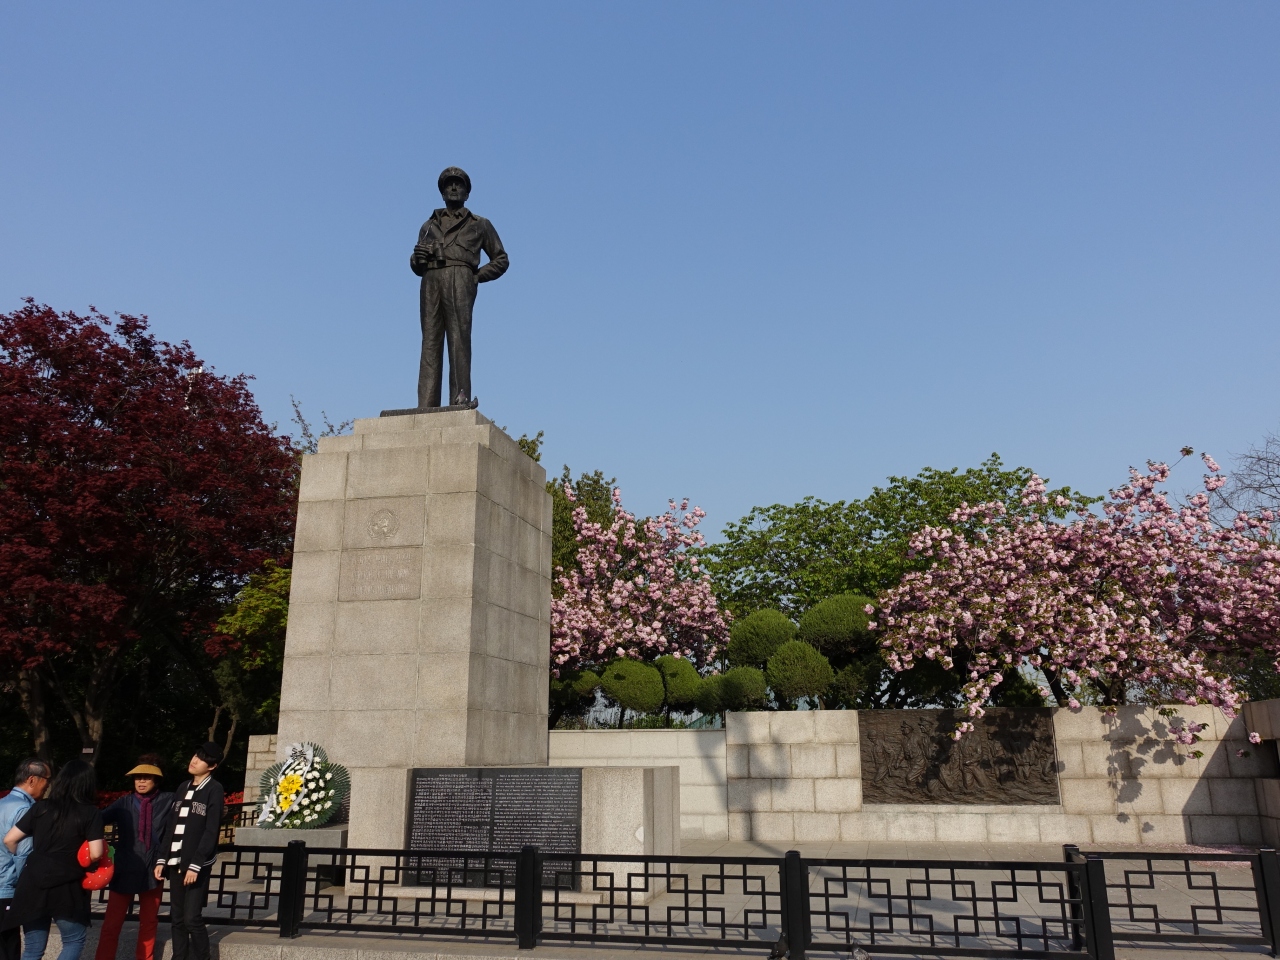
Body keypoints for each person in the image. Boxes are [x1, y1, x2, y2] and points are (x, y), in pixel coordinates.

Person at [410, 166, 509, 409]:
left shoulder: (480, 224)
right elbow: (415, 264)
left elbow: (501, 259)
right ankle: (426, 405)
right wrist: (417, 259)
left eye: (459, 184)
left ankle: (460, 398)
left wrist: (476, 277)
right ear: (442, 191)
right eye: (449, 184)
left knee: (458, 340)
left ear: (467, 192)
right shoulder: (428, 225)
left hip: (461, 279)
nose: (454, 188)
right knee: (430, 342)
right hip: (431, 280)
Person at [1, 760, 105, 960]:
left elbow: (10, 839)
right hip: (67, 885)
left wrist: (25, 860)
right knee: (73, 941)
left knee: (33, 949)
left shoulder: (40, 808)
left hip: (33, 883)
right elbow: (96, 853)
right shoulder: (90, 812)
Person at [94, 757, 174, 960]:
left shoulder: (169, 800)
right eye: (138, 777)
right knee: (111, 924)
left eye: (147, 777)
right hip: (124, 868)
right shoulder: (124, 803)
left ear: (156, 780)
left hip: (153, 869)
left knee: (149, 923)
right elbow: (97, 820)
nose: (141, 781)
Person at [152, 744, 223, 960]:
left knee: (192, 918)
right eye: (195, 755)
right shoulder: (183, 787)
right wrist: (162, 859)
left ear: (212, 766)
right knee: (177, 918)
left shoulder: (214, 789)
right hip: (175, 861)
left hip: (196, 865)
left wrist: (196, 864)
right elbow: (171, 827)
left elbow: (211, 831)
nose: (194, 760)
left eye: (201, 759)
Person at [0, 760, 52, 960]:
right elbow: (24, 855)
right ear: (32, 779)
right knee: (9, 949)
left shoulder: (3, 803)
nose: (48, 785)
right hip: (8, 887)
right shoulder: (25, 809)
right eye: (46, 780)